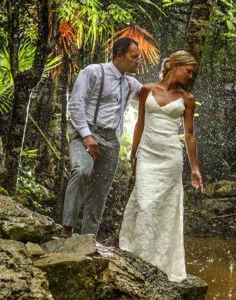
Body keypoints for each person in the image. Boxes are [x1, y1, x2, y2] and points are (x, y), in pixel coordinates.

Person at [119, 50, 204, 282]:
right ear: (175, 65)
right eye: (188, 71)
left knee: (165, 210)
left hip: (170, 158)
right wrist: (133, 152)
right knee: (145, 202)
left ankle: (161, 263)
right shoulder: (147, 90)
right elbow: (139, 124)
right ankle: (138, 257)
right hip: (147, 154)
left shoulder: (187, 99)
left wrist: (194, 168)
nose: (190, 76)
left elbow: (189, 135)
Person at [62, 38, 142, 238]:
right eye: (134, 56)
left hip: (111, 140)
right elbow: (76, 104)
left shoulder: (131, 83)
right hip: (85, 132)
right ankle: (66, 231)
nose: (138, 61)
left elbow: (154, 96)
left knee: (100, 191)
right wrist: (87, 136)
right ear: (119, 55)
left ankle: (89, 238)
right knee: (81, 171)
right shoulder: (94, 72)